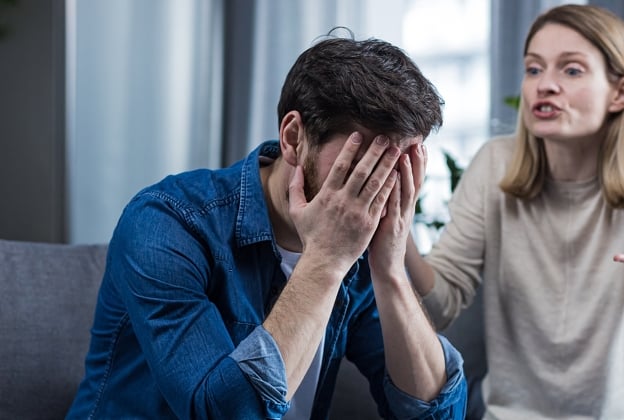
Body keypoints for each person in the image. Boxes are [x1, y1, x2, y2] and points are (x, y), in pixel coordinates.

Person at [67, 33, 467, 419]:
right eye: (363, 164)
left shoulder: (362, 245)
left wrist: (391, 270)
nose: (378, 187)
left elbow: (438, 414)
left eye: (399, 166)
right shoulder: (167, 222)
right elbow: (228, 413)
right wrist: (326, 259)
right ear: (294, 137)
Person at [404, 4, 624, 419]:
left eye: (572, 71)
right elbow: (440, 306)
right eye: (534, 69)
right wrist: (400, 239)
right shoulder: (494, 165)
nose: (546, 85)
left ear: (621, 92)